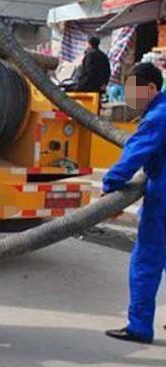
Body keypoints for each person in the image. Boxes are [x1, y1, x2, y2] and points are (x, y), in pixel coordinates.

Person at [103, 62, 166, 344]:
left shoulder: (157, 117)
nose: (129, 98)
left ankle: (139, 326)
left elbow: (134, 154)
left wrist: (111, 187)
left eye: (134, 91)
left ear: (151, 88)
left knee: (146, 262)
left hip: (163, 198)